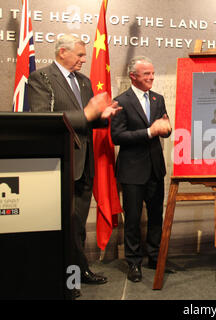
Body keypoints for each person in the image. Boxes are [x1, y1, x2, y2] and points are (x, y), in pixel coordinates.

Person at [28, 34, 122, 298]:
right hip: (59, 164)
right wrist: (87, 114)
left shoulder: (84, 81)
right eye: (79, 55)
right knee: (63, 226)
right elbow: (43, 118)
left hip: (85, 164)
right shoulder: (42, 78)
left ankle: (80, 271)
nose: (84, 59)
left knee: (78, 225)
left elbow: (88, 121)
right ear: (62, 53)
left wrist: (103, 117)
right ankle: (66, 281)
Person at [111, 56, 172, 283]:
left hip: (156, 169)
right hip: (132, 171)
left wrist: (166, 129)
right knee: (134, 219)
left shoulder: (158, 99)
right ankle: (134, 263)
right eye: (146, 74)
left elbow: (165, 127)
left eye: (153, 73)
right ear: (133, 76)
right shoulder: (120, 101)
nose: (152, 77)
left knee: (157, 216)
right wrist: (150, 131)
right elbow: (117, 136)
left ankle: (156, 258)